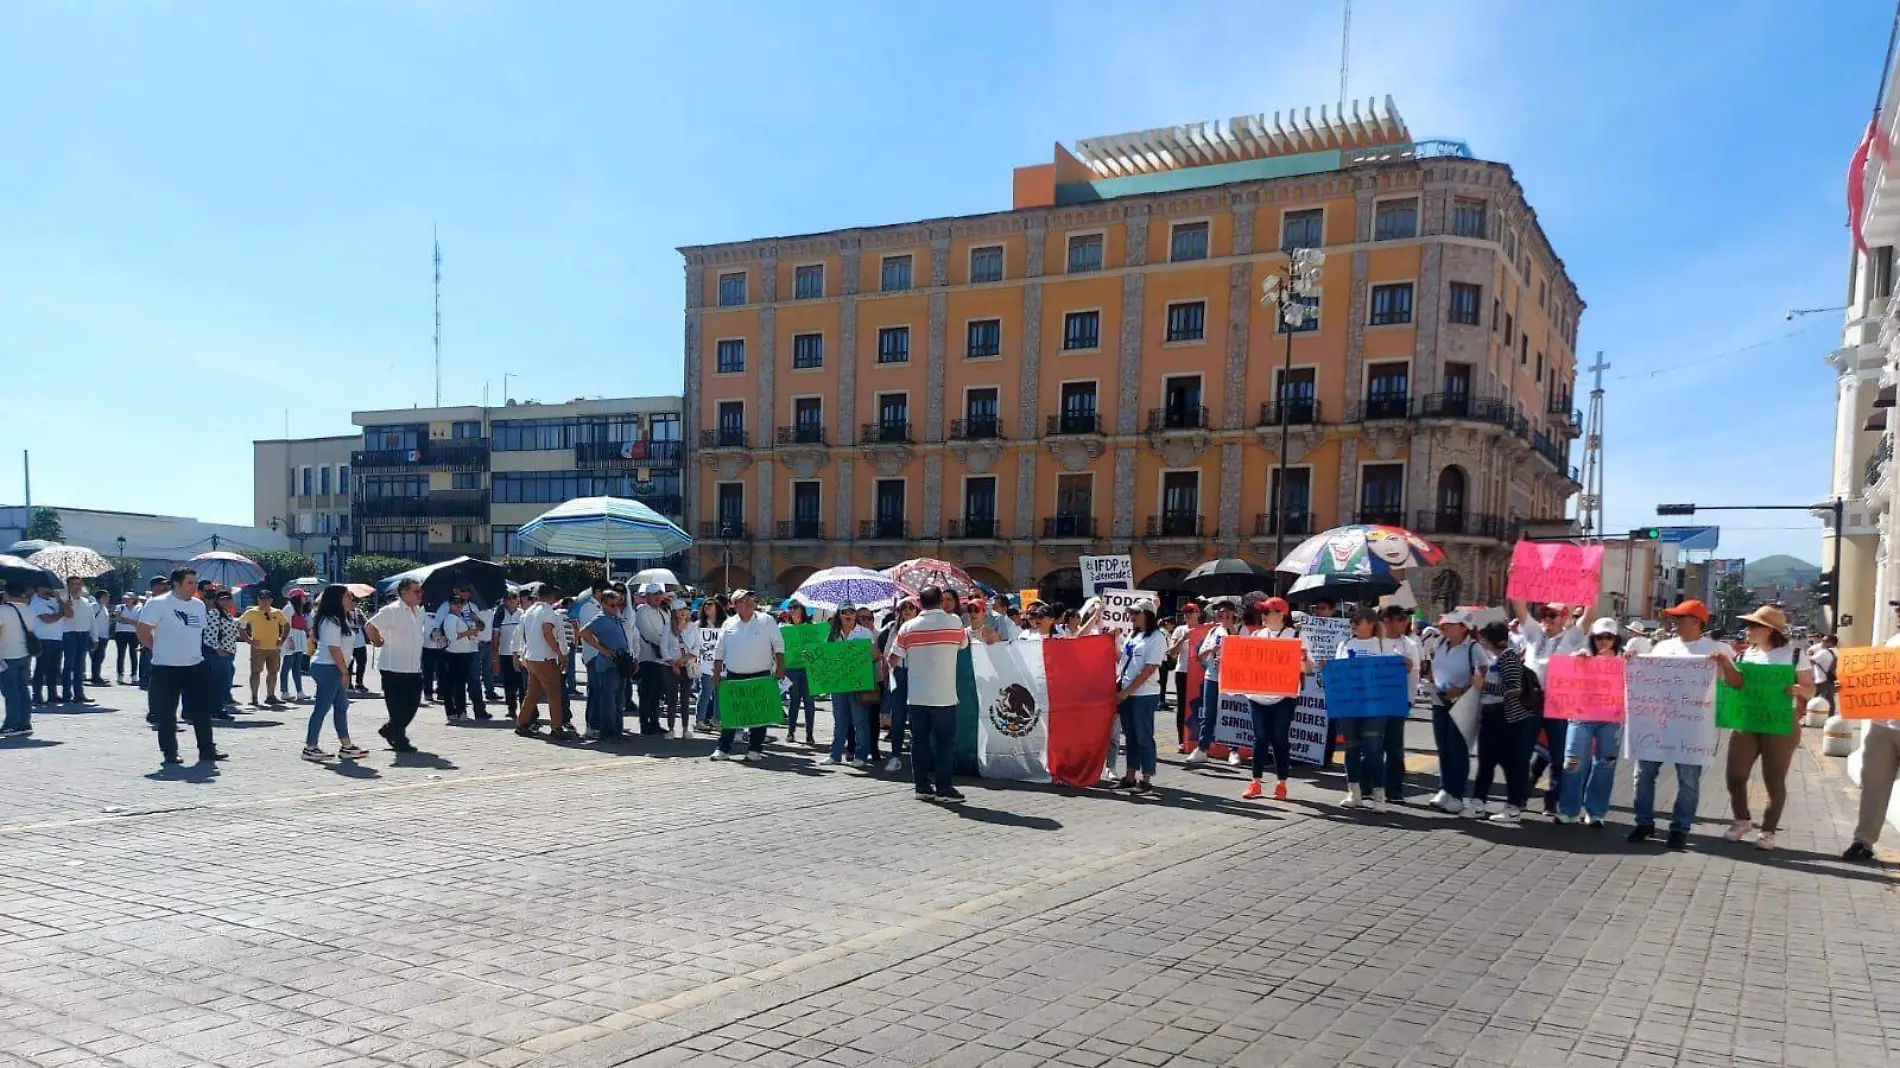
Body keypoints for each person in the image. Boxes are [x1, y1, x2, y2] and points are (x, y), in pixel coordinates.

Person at [1630, 599, 1738, 849]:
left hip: (1693, 728)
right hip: (1655, 724)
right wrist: (1633, 662)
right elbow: (1646, 678)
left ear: (1696, 622)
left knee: (1688, 781)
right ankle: (1643, 823)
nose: (1674, 623)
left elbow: (1736, 683)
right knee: (1642, 775)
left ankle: (1680, 828)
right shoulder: (1662, 647)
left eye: (1679, 619)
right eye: (1673, 619)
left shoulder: (1717, 648)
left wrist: (1723, 663)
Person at [1721, 605, 1811, 850]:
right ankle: (1742, 819)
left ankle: (1768, 831)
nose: (1747, 630)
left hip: (1780, 722)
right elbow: (1737, 684)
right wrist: (1726, 665)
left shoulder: (1794, 654)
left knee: (1774, 779)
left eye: (1752, 626)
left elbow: (1810, 687)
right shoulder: (1746, 654)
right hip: (1747, 720)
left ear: (1768, 630)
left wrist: (1799, 690)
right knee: (1735, 775)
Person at [136, 566, 225, 765]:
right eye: (189, 583)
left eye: (195, 582)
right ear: (176, 584)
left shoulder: (198, 605)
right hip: (167, 667)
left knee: (202, 710)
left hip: (194, 665)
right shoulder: (158, 603)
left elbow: (198, 632)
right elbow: (142, 630)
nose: (194, 587)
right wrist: (155, 649)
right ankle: (170, 752)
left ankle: (207, 749)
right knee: (168, 712)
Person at [894, 585, 969, 802]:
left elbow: (893, 659)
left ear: (920, 602)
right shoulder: (954, 621)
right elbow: (963, 644)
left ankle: (922, 787)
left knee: (919, 743)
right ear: (939, 600)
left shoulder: (908, 627)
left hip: (916, 696)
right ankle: (944, 788)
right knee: (944, 743)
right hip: (944, 695)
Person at [1513, 600, 1585, 815]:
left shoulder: (1571, 637)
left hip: (1558, 702)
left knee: (1558, 754)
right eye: (1545, 615)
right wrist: (1516, 581)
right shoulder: (1535, 634)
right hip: (1532, 700)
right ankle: (1518, 799)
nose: (1547, 619)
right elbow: (1520, 609)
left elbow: (1588, 616)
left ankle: (1553, 801)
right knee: (1522, 751)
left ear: (1564, 618)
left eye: (1552, 615)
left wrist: (1593, 588)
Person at [1237, 597, 1310, 801]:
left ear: (1281, 614)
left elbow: (1308, 669)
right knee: (1259, 739)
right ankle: (1256, 782)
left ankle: (1281, 783)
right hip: (1257, 696)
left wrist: (1302, 660)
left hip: (1284, 696)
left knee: (1279, 739)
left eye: (1267, 612)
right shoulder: (1257, 635)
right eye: (1263, 612)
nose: (1264, 616)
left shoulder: (1296, 636)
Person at [1556, 618, 1625, 826]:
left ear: (1616, 639)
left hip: (1611, 720)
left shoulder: (1624, 660)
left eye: (1609, 637)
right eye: (1599, 637)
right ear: (1592, 638)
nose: (1603, 641)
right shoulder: (1582, 656)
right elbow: (1564, 671)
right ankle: (1568, 809)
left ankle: (1596, 812)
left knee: (1605, 765)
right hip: (1581, 718)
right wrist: (1577, 660)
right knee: (1573, 763)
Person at [1845, 621, 1900, 862]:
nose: (1897, 614)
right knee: (1873, 785)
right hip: (1881, 726)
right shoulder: (1892, 642)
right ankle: (1863, 841)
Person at [710, 590, 785, 762]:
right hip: (734, 676)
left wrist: (781, 666)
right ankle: (723, 748)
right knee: (731, 713)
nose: (750, 601)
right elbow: (719, 650)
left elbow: (778, 645)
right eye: (744, 600)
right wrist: (716, 672)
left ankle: (755, 749)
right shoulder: (729, 623)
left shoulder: (767, 620)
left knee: (759, 714)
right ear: (735, 604)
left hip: (760, 674)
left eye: (750, 599)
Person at [1334, 609, 1397, 810]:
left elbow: (1395, 670)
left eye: (1357, 620)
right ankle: (1354, 792)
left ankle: (1379, 795)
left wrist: (1403, 663)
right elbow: (1337, 672)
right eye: (1351, 620)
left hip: (1375, 706)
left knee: (1373, 749)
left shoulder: (1383, 645)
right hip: (1350, 705)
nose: (1353, 624)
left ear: (1370, 622)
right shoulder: (1344, 645)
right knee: (1351, 748)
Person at [1470, 620, 1532, 822]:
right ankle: (1478, 802)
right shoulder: (1496, 658)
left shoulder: (1509, 658)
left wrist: (1484, 686)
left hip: (1506, 718)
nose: (1482, 642)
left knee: (1510, 764)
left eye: (1484, 638)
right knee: (1486, 761)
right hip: (1491, 716)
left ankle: (1513, 805)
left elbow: (1514, 689)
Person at [1427, 609, 1487, 816]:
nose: (1445, 627)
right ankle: (1445, 788)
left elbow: (1483, 676)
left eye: (1450, 624)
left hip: (1464, 703)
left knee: (1458, 749)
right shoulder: (1440, 644)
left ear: (1463, 628)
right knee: (1443, 747)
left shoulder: (1474, 648)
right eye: (1444, 624)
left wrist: (1460, 690)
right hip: (1440, 701)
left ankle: (1457, 795)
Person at [304, 585, 368, 762]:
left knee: (341, 706)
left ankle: (346, 745)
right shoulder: (330, 620)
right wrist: (345, 672)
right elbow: (334, 649)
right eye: (348, 596)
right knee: (322, 708)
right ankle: (310, 746)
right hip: (328, 668)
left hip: (333, 667)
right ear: (336, 599)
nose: (351, 600)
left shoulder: (341, 619)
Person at [1110, 605, 1168, 794]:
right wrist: (1113, 644)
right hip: (1127, 692)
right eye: (1131, 613)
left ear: (1147, 614)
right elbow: (1124, 660)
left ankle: (1146, 779)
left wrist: (1127, 692)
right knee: (1131, 737)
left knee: (1144, 736)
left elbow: (1149, 669)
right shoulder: (1134, 636)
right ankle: (1129, 776)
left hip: (1143, 695)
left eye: (1136, 613)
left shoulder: (1156, 637)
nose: (1131, 616)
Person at [366, 579, 427, 752]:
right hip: (394, 668)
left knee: (412, 705)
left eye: (420, 591)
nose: (420, 594)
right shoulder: (392, 611)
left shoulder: (417, 612)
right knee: (397, 707)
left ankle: (390, 729)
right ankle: (399, 738)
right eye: (416, 591)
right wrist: (377, 642)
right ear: (404, 592)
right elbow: (370, 626)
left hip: (413, 668)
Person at [1378, 605, 1423, 805]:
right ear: (1386, 621)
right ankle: (1370, 787)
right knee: (1372, 746)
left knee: (1394, 748)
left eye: (1405, 619)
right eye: (1400, 619)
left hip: (1398, 702)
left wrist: (1409, 701)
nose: (1404, 623)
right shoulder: (1374, 643)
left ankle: (1394, 790)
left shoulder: (1410, 645)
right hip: (1375, 702)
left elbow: (1415, 676)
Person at [1186, 599, 1240, 765]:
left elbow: (1243, 653)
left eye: (1223, 611)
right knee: (1209, 715)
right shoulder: (1213, 631)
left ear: (1232, 614)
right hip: (1212, 677)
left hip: (1232, 679)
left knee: (1231, 715)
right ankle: (1202, 749)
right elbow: (1200, 656)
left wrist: (1230, 628)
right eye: (1218, 612)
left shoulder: (1240, 630)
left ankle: (1234, 751)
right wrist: (1212, 650)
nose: (1220, 614)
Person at [516, 586, 573, 739]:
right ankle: (556, 727)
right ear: (552, 596)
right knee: (554, 693)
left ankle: (522, 723)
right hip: (545, 658)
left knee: (532, 693)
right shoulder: (547, 610)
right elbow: (547, 631)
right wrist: (560, 653)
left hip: (532, 657)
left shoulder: (529, 611)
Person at [825, 603, 877, 767]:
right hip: (838, 685)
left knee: (860, 721)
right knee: (839, 721)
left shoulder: (865, 633)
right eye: (844, 612)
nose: (848, 614)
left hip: (857, 685)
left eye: (851, 611)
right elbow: (825, 657)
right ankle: (835, 754)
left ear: (855, 614)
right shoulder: (832, 635)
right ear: (839, 615)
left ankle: (861, 756)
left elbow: (875, 656)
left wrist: (871, 652)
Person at [578, 588, 631, 741]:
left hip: (621, 663)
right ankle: (608, 732)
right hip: (608, 665)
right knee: (609, 700)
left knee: (619, 699)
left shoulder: (615, 618)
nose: (616, 608)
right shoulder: (600, 618)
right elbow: (584, 633)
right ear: (603, 605)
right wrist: (604, 650)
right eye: (612, 605)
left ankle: (617, 729)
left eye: (618, 605)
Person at [878, 599, 919, 767]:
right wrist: (888, 673)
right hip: (898, 673)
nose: (908, 610)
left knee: (917, 716)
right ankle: (895, 756)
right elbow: (887, 652)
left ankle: (917, 757)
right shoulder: (893, 627)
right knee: (898, 716)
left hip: (916, 673)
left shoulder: (920, 627)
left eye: (911, 607)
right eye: (904, 608)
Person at [237, 588, 288, 708]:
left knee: (273, 672)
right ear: (258, 600)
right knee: (255, 672)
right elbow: (240, 626)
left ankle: (271, 696)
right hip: (258, 648)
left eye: (267, 599)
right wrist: (249, 640)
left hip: (274, 648)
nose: (264, 602)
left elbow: (286, 625)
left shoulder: (277, 612)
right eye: (262, 599)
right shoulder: (251, 612)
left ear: (271, 600)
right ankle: (254, 697)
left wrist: (282, 639)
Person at [779, 601, 818, 742]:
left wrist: (811, 652)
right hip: (791, 669)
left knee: (809, 702)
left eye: (795, 607)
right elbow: (779, 649)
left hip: (808, 669)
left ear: (802, 610)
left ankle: (809, 734)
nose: (792, 610)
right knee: (794, 701)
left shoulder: (811, 628)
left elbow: (818, 647)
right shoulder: (784, 628)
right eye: (790, 608)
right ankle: (791, 732)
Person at [1167, 601, 1202, 751]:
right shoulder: (1180, 630)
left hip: (1199, 672)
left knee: (1198, 706)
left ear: (1198, 613)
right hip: (1183, 671)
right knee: (1182, 707)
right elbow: (1172, 653)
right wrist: (1184, 638)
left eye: (1191, 612)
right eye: (1185, 613)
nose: (1188, 615)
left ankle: (1198, 739)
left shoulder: (1204, 630)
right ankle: (1182, 740)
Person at [200, 591, 240, 720]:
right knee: (219, 682)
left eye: (229, 599)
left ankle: (217, 707)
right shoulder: (214, 613)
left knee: (224, 681)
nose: (226, 601)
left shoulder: (227, 614)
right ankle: (215, 709)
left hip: (228, 652)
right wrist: (217, 649)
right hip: (217, 653)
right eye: (223, 599)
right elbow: (209, 634)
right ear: (217, 600)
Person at [0, 583, 33, 736]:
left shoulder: (3, 611)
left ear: (7, 594)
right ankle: (24, 723)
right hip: (24, 653)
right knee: (23, 689)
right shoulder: (28, 610)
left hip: (7, 654)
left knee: (10, 691)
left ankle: (11, 724)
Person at [58, 577, 96, 705]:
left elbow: (92, 621)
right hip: (70, 635)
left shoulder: (86, 602)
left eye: (79, 584)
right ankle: (66, 694)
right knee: (69, 665)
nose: (77, 587)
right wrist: (66, 605)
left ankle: (79, 694)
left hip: (84, 635)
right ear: (68, 586)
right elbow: (65, 618)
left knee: (80, 666)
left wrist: (94, 638)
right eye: (73, 584)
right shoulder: (64, 601)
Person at [491, 590, 526, 718]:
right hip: (505, 653)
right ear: (504, 601)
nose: (511, 600)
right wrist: (494, 655)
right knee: (508, 683)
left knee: (523, 683)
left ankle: (525, 709)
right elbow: (495, 635)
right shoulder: (499, 615)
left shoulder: (523, 614)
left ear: (518, 600)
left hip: (521, 654)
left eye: (514, 598)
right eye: (508, 598)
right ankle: (511, 708)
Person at [693, 598, 726, 731]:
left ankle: (717, 720)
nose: (707, 607)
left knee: (720, 693)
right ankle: (699, 720)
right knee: (706, 691)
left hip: (722, 665)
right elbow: (695, 643)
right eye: (705, 605)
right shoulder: (698, 625)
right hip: (706, 664)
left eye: (710, 604)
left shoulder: (725, 623)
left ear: (717, 607)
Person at [28, 583, 64, 706]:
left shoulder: (54, 601)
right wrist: (61, 613)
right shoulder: (36, 602)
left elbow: (67, 613)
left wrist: (60, 600)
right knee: (41, 668)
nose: (49, 589)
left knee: (54, 668)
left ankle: (52, 693)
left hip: (56, 638)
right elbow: (48, 620)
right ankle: (37, 694)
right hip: (43, 638)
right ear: (39, 588)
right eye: (46, 587)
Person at [664, 604, 695, 733]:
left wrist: (683, 660)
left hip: (686, 666)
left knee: (685, 698)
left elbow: (696, 647)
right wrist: (673, 663)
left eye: (684, 609)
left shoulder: (692, 628)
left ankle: (685, 728)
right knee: (672, 698)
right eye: (679, 610)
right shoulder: (667, 628)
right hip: (671, 667)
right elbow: (663, 648)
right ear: (674, 612)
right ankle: (671, 728)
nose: (683, 612)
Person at [282, 594, 311, 702]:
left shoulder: (300, 610)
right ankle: (284, 692)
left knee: (297, 667)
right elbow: (286, 624)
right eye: (303, 596)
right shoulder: (289, 607)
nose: (305, 598)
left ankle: (300, 692)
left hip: (299, 637)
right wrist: (289, 639)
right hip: (292, 637)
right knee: (287, 665)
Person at [112, 592, 141, 683]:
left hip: (133, 633)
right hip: (120, 633)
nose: (126, 600)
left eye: (129, 599)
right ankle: (120, 675)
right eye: (125, 598)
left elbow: (138, 622)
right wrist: (131, 621)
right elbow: (117, 619)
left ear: (133, 599)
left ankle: (134, 675)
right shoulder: (120, 607)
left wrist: (124, 619)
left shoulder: (139, 608)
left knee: (133, 654)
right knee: (121, 654)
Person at [86, 584, 111, 686]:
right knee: (96, 657)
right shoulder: (95, 606)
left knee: (100, 657)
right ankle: (96, 677)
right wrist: (93, 636)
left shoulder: (103, 607)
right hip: (96, 636)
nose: (108, 598)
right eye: (106, 596)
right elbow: (91, 620)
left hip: (103, 636)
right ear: (101, 597)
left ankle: (96, 675)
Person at [348, 599, 370, 692]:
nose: (354, 603)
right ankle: (348, 684)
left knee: (362, 663)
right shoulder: (343, 612)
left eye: (355, 602)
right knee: (349, 664)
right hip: (349, 641)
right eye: (352, 601)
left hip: (360, 640)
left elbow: (366, 623)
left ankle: (359, 683)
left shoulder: (358, 612)